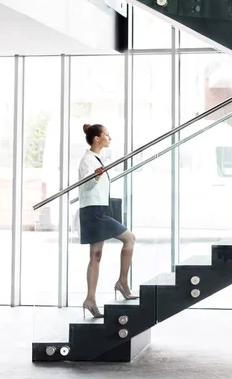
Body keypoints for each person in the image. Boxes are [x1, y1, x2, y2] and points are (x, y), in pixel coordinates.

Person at [78, 123, 137, 318]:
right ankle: (122, 283)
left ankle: (91, 299)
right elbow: (85, 187)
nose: (109, 138)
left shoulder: (98, 159)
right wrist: (95, 177)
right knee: (129, 238)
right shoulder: (88, 160)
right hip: (93, 211)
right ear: (97, 138)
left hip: (100, 209)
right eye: (106, 135)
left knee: (96, 256)